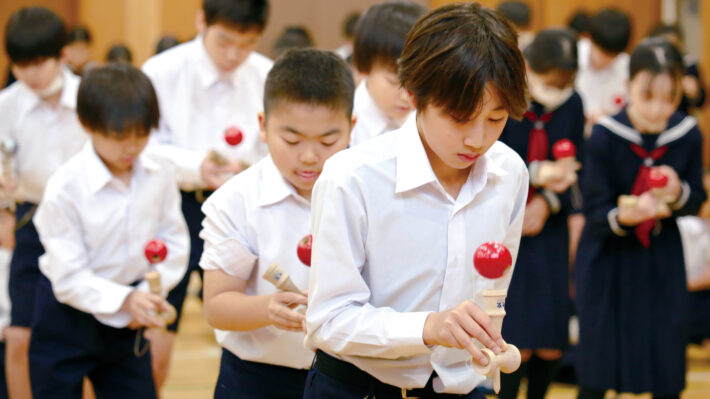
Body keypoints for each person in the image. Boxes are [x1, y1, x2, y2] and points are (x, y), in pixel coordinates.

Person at [304, 3, 529, 397]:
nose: (478, 139)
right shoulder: (353, 177)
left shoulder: (509, 173)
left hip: (461, 386)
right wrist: (427, 327)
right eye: (459, 118)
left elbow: (494, 291)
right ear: (413, 94)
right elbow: (327, 320)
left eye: (496, 118)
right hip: (358, 387)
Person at [200, 48, 354, 399]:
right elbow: (217, 304)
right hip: (256, 377)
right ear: (263, 126)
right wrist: (266, 309)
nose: (310, 156)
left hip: (349, 376)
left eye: (328, 141)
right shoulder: (236, 201)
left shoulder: (370, 191)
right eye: (292, 140)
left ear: (351, 128)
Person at [29, 63, 188, 398]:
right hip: (66, 317)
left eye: (141, 135)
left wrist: (145, 292)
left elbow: (173, 242)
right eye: (118, 138)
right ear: (87, 124)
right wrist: (125, 301)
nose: (131, 148)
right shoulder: (65, 187)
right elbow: (69, 277)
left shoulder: (157, 172)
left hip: (130, 315)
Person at [141, 0, 272, 389]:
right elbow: (140, 148)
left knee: (249, 329)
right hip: (171, 207)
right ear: (201, 21)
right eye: (224, 41)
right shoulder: (162, 72)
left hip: (241, 210)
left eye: (246, 44)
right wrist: (196, 166)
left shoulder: (267, 75)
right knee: (154, 334)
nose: (234, 55)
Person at [575, 37, 706, 399]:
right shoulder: (604, 136)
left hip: (659, 259)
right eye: (648, 96)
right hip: (608, 260)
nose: (658, 109)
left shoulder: (687, 134)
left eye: (670, 98)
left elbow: (696, 200)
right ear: (627, 85)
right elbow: (594, 209)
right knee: (600, 360)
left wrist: (679, 191)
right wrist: (628, 215)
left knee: (664, 355)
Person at [0, 7, 87, 398]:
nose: (28, 74)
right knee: (18, 335)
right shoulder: (8, 104)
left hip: (84, 225)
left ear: (63, 56)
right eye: (19, 65)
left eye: (37, 64)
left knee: (82, 340)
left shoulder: (89, 98)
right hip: (29, 220)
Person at [497, 28, 585, 399]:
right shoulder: (505, 99)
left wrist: (548, 201)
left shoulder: (573, 104)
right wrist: (530, 180)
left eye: (565, 83)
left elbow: (580, 167)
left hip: (549, 229)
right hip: (510, 225)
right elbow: (493, 162)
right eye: (550, 82)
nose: (558, 90)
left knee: (549, 334)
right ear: (529, 68)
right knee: (515, 334)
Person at [349, 0, 426, 147]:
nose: (407, 97)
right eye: (394, 81)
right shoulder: (344, 124)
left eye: (418, 81)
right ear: (364, 66)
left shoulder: (426, 122)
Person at [575, 8, 631, 130]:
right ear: (589, 38)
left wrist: (607, 119)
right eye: (602, 53)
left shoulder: (627, 67)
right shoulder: (572, 57)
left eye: (612, 56)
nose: (605, 61)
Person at [648, 24, 706, 115]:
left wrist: (695, 93)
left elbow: (701, 101)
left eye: (674, 45)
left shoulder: (688, 64)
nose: (669, 50)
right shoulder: (647, 65)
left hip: (680, 116)